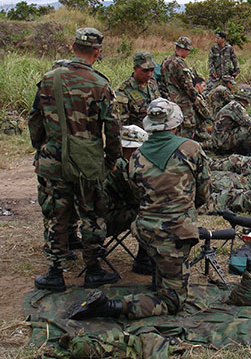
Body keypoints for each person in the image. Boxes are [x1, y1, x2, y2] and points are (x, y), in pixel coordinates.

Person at [68, 98, 211, 320]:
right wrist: (185, 211)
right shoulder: (191, 149)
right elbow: (203, 193)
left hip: (144, 231)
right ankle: (112, 306)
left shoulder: (135, 157)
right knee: (173, 301)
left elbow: (138, 195)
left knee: (164, 268)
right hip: (176, 234)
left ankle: (160, 280)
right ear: (174, 123)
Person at [29, 27, 121, 291]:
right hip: (88, 161)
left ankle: (55, 273)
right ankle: (93, 270)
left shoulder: (49, 79)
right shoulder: (101, 84)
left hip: (53, 160)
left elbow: (35, 119)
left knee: (57, 214)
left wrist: (42, 148)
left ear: (73, 48)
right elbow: (112, 129)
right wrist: (111, 160)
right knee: (91, 214)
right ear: (97, 51)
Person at [103, 125, 152, 275]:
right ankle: (143, 260)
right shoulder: (122, 167)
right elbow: (138, 198)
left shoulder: (110, 161)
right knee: (149, 211)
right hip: (105, 221)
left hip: (92, 221)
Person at [160, 37, 211, 140]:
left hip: (169, 98)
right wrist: (195, 97)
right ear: (182, 49)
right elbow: (187, 85)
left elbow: (162, 82)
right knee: (188, 125)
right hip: (182, 100)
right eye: (188, 50)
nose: (188, 53)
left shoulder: (166, 61)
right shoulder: (179, 63)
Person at [114, 52, 161, 128]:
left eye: (152, 70)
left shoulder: (152, 83)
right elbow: (122, 125)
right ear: (135, 69)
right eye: (145, 70)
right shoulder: (123, 92)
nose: (149, 74)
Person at [212, 89, 251, 155]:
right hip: (222, 141)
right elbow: (248, 122)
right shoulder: (237, 107)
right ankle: (246, 153)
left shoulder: (232, 104)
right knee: (248, 128)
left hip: (217, 139)